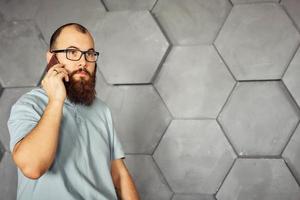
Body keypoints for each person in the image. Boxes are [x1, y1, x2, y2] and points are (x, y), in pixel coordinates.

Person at [7, 23, 140, 200]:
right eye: (72, 52)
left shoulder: (101, 110)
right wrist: (56, 100)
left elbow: (119, 174)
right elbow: (32, 167)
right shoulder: (29, 105)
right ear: (51, 59)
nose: (83, 61)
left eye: (89, 54)